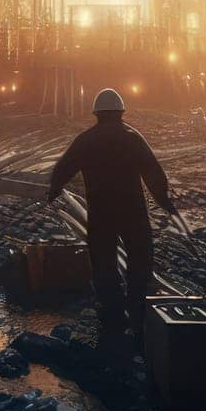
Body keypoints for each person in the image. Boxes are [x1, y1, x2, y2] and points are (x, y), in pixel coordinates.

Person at [48, 87, 174, 343]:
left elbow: (64, 167)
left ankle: (112, 310)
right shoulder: (132, 137)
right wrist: (164, 200)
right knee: (140, 259)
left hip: (101, 211)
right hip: (133, 211)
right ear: (121, 112)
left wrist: (54, 190)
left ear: (97, 113)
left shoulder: (86, 140)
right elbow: (153, 172)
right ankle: (138, 307)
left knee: (103, 261)